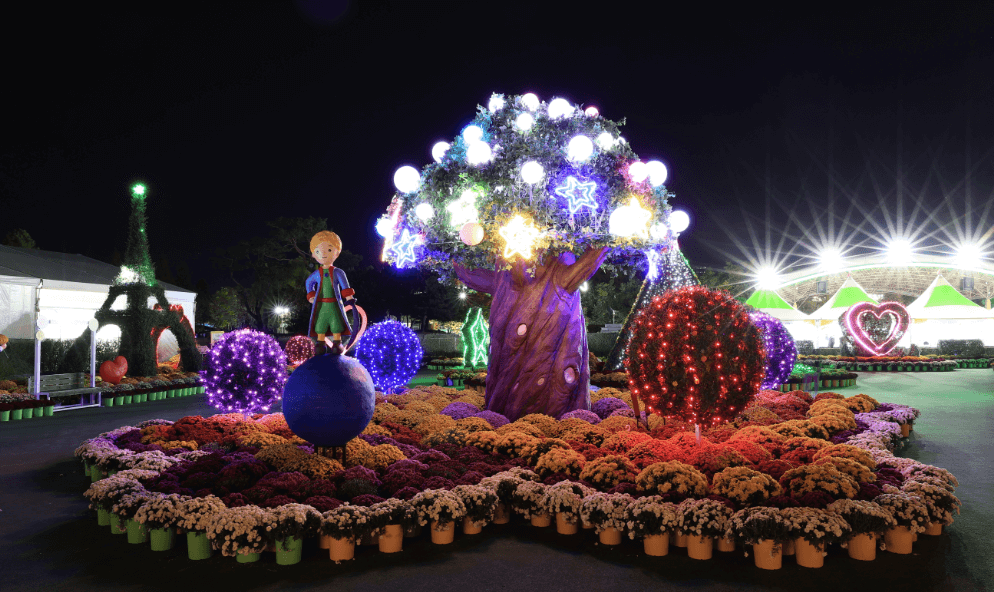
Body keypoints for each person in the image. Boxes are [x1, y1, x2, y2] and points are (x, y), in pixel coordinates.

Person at [305, 231, 356, 355]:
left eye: (328, 249)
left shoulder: (338, 272)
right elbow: (308, 282)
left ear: (337, 252)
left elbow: (345, 286)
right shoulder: (317, 274)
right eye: (318, 251)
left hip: (334, 304)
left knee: (336, 323)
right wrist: (311, 295)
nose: (322, 254)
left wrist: (349, 297)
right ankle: (320, 344)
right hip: (321, 305)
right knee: (320, 324)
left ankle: (337, 343)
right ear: (313, 254)